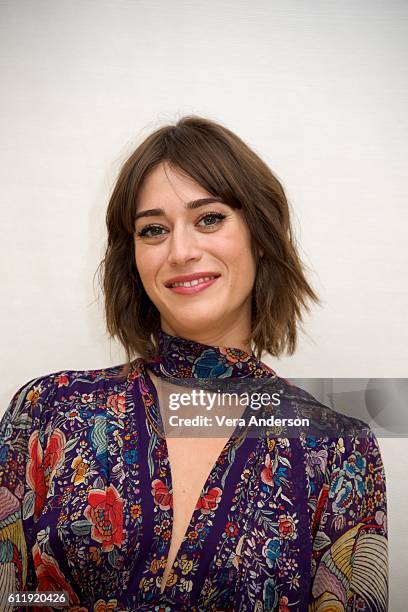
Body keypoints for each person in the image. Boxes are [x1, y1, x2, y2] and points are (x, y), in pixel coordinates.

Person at [0, 116, 388, 611]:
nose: (181, 251)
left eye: (209, 218)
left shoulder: (338, 449)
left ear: (261, 235)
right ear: (134, 257)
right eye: (153, 229)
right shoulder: (47, 410)